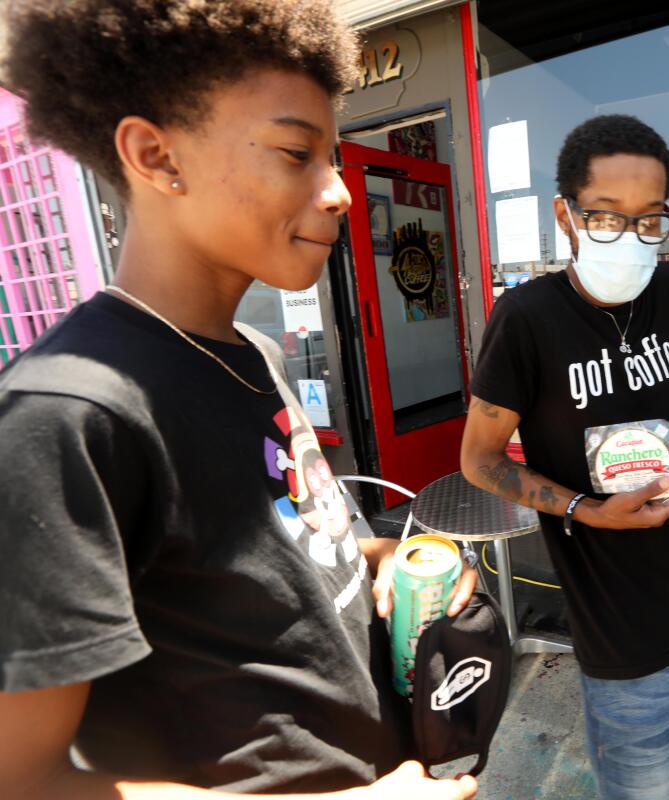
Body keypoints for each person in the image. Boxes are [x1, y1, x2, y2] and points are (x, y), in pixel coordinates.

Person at [0, 2, 477, 798]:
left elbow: (311, 560)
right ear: (156, 155)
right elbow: (24, 781)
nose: (340, 193)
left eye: (332, 157)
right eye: (297, 153)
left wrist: (394, 562)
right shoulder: (62, 417)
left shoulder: (249, 352)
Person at [461, 114, 669, 799]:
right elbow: (480, 459)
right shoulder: (528, 319)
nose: (629, 239)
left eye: (649, 220)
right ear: (566, 216)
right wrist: (586, 510)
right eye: (605, 217)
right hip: (626, 646)